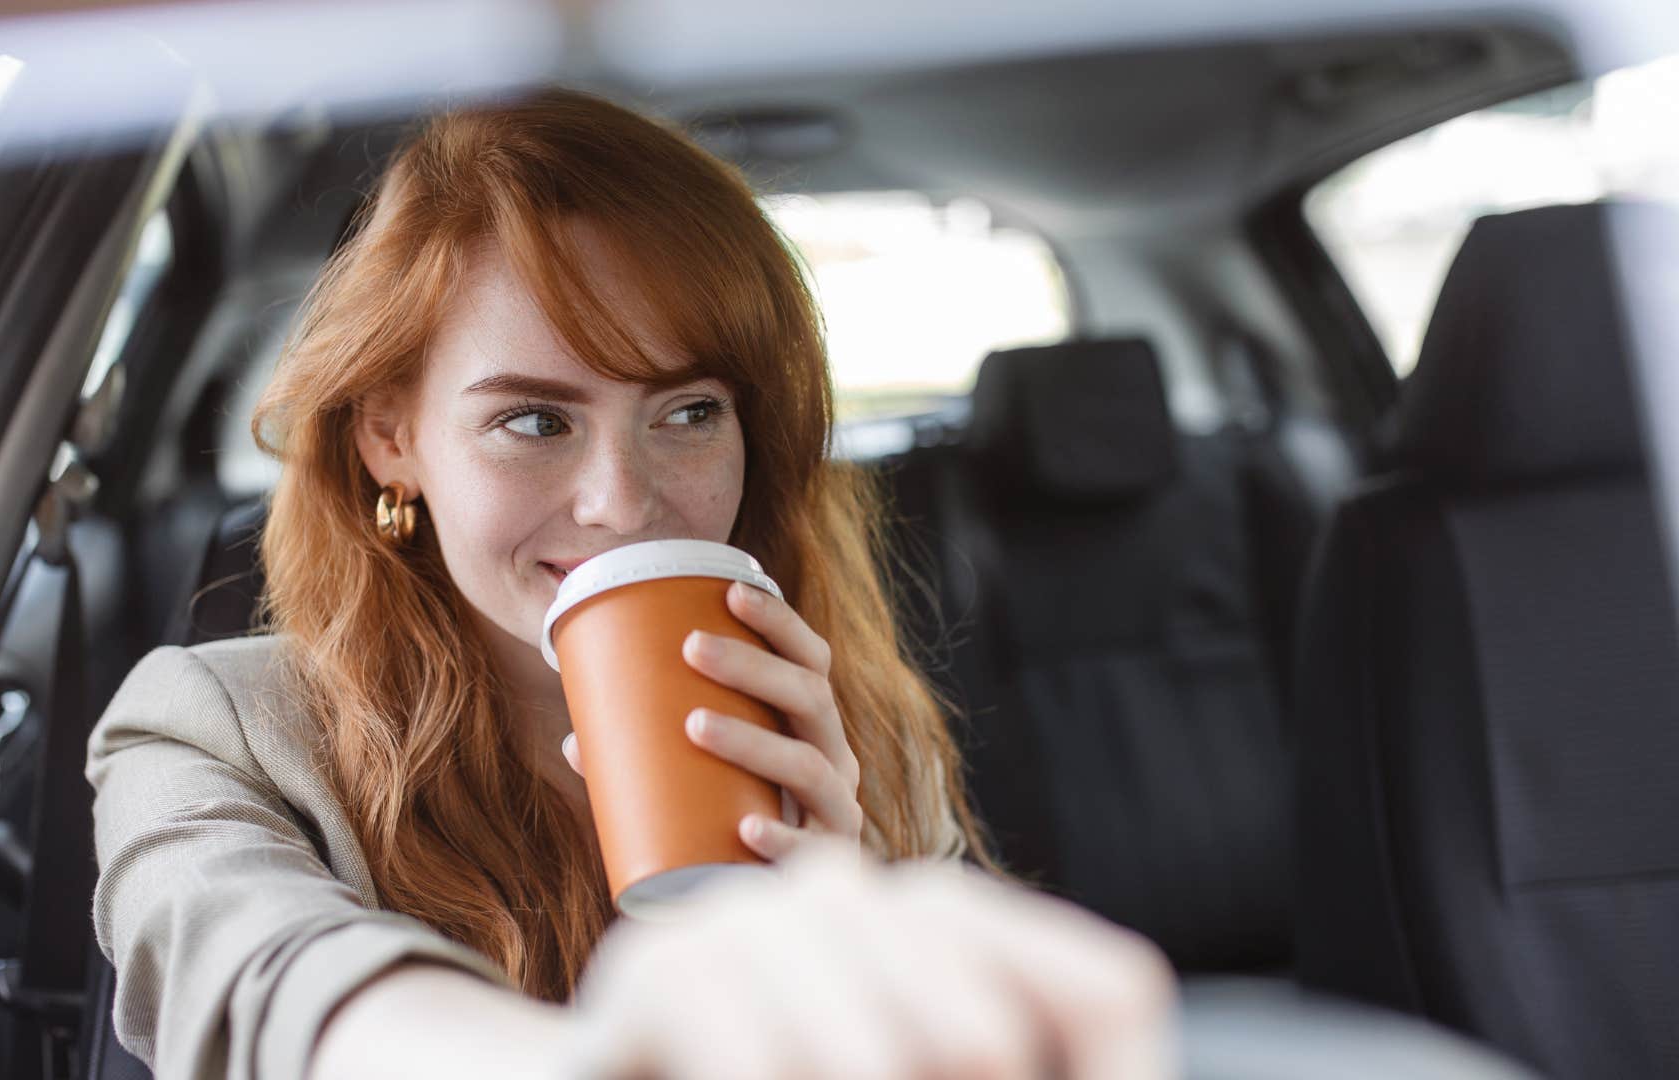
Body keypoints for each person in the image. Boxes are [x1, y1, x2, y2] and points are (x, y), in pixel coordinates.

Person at [86, 87, 1172, 1080]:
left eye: (689, 412)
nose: (622, 500)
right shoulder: (209, 732)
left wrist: (860, 903)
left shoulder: (850, 739)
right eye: (534, 421)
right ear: (391, 438)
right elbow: (275, 988)